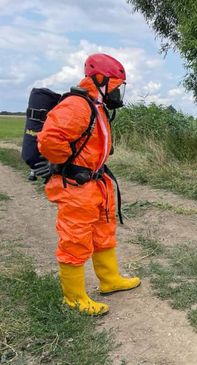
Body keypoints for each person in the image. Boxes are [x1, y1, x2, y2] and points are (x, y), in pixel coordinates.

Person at [37, 53, 140, 315]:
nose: (118, 93)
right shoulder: (77, 105)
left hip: (96, 183)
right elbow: (49, 140)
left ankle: (110, 280)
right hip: (77, 185)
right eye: (116, 85)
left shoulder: (95, 104)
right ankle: (74, 298)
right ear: (99, 79)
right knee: (75, 238)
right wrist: (69, 165)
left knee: (103, 232)